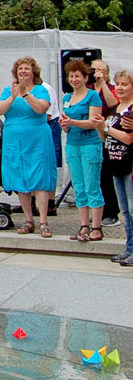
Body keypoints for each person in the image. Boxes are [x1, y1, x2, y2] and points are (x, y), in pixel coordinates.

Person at [0, 56, 57, 238]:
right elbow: (0, 110)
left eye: (27, 69)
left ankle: (44, 221)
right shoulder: (8, 90)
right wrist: (14, 95)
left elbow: (41, 109)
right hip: (14, 141)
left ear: (34, 73)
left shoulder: (40, 90)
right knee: (20, 177)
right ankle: (28, 219)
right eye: (20, 69)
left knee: (39, 177)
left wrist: (24, 94)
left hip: (37, 139)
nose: (23, 71)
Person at [60, 58, 105, 243]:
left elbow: (93, 122)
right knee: (78, 187)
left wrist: (72, 122)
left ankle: (96, 227)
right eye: (71, 76)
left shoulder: (92, 96)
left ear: (85, 77)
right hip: (72, 144)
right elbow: (66, 124)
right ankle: (83, 225)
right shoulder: (66, 98)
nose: (74, 79)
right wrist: (65, 125)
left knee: (91, 185)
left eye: (77, 76)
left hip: (90, 144)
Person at [99, 69, 133, 267]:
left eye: (124, 84)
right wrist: (100, 127)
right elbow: (107, 138)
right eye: (118, 84)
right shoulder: (115, 109)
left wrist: (106, 127)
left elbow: (128, 138)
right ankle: (129, 247)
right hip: (114, 162)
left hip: (128, 164)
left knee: (132, 208)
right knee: (125, 210)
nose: (119, 88)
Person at [91, 58, 120, 224]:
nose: (96, 73)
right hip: (89, 135)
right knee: (94, 176)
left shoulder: (111, 89)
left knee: (106, 175)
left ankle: (111, 212)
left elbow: (113, 104)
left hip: (107, 134)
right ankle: (98, 211)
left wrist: (102, 83)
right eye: (94, 69)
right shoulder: (87, 89)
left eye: (100, 70)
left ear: (107, 74)